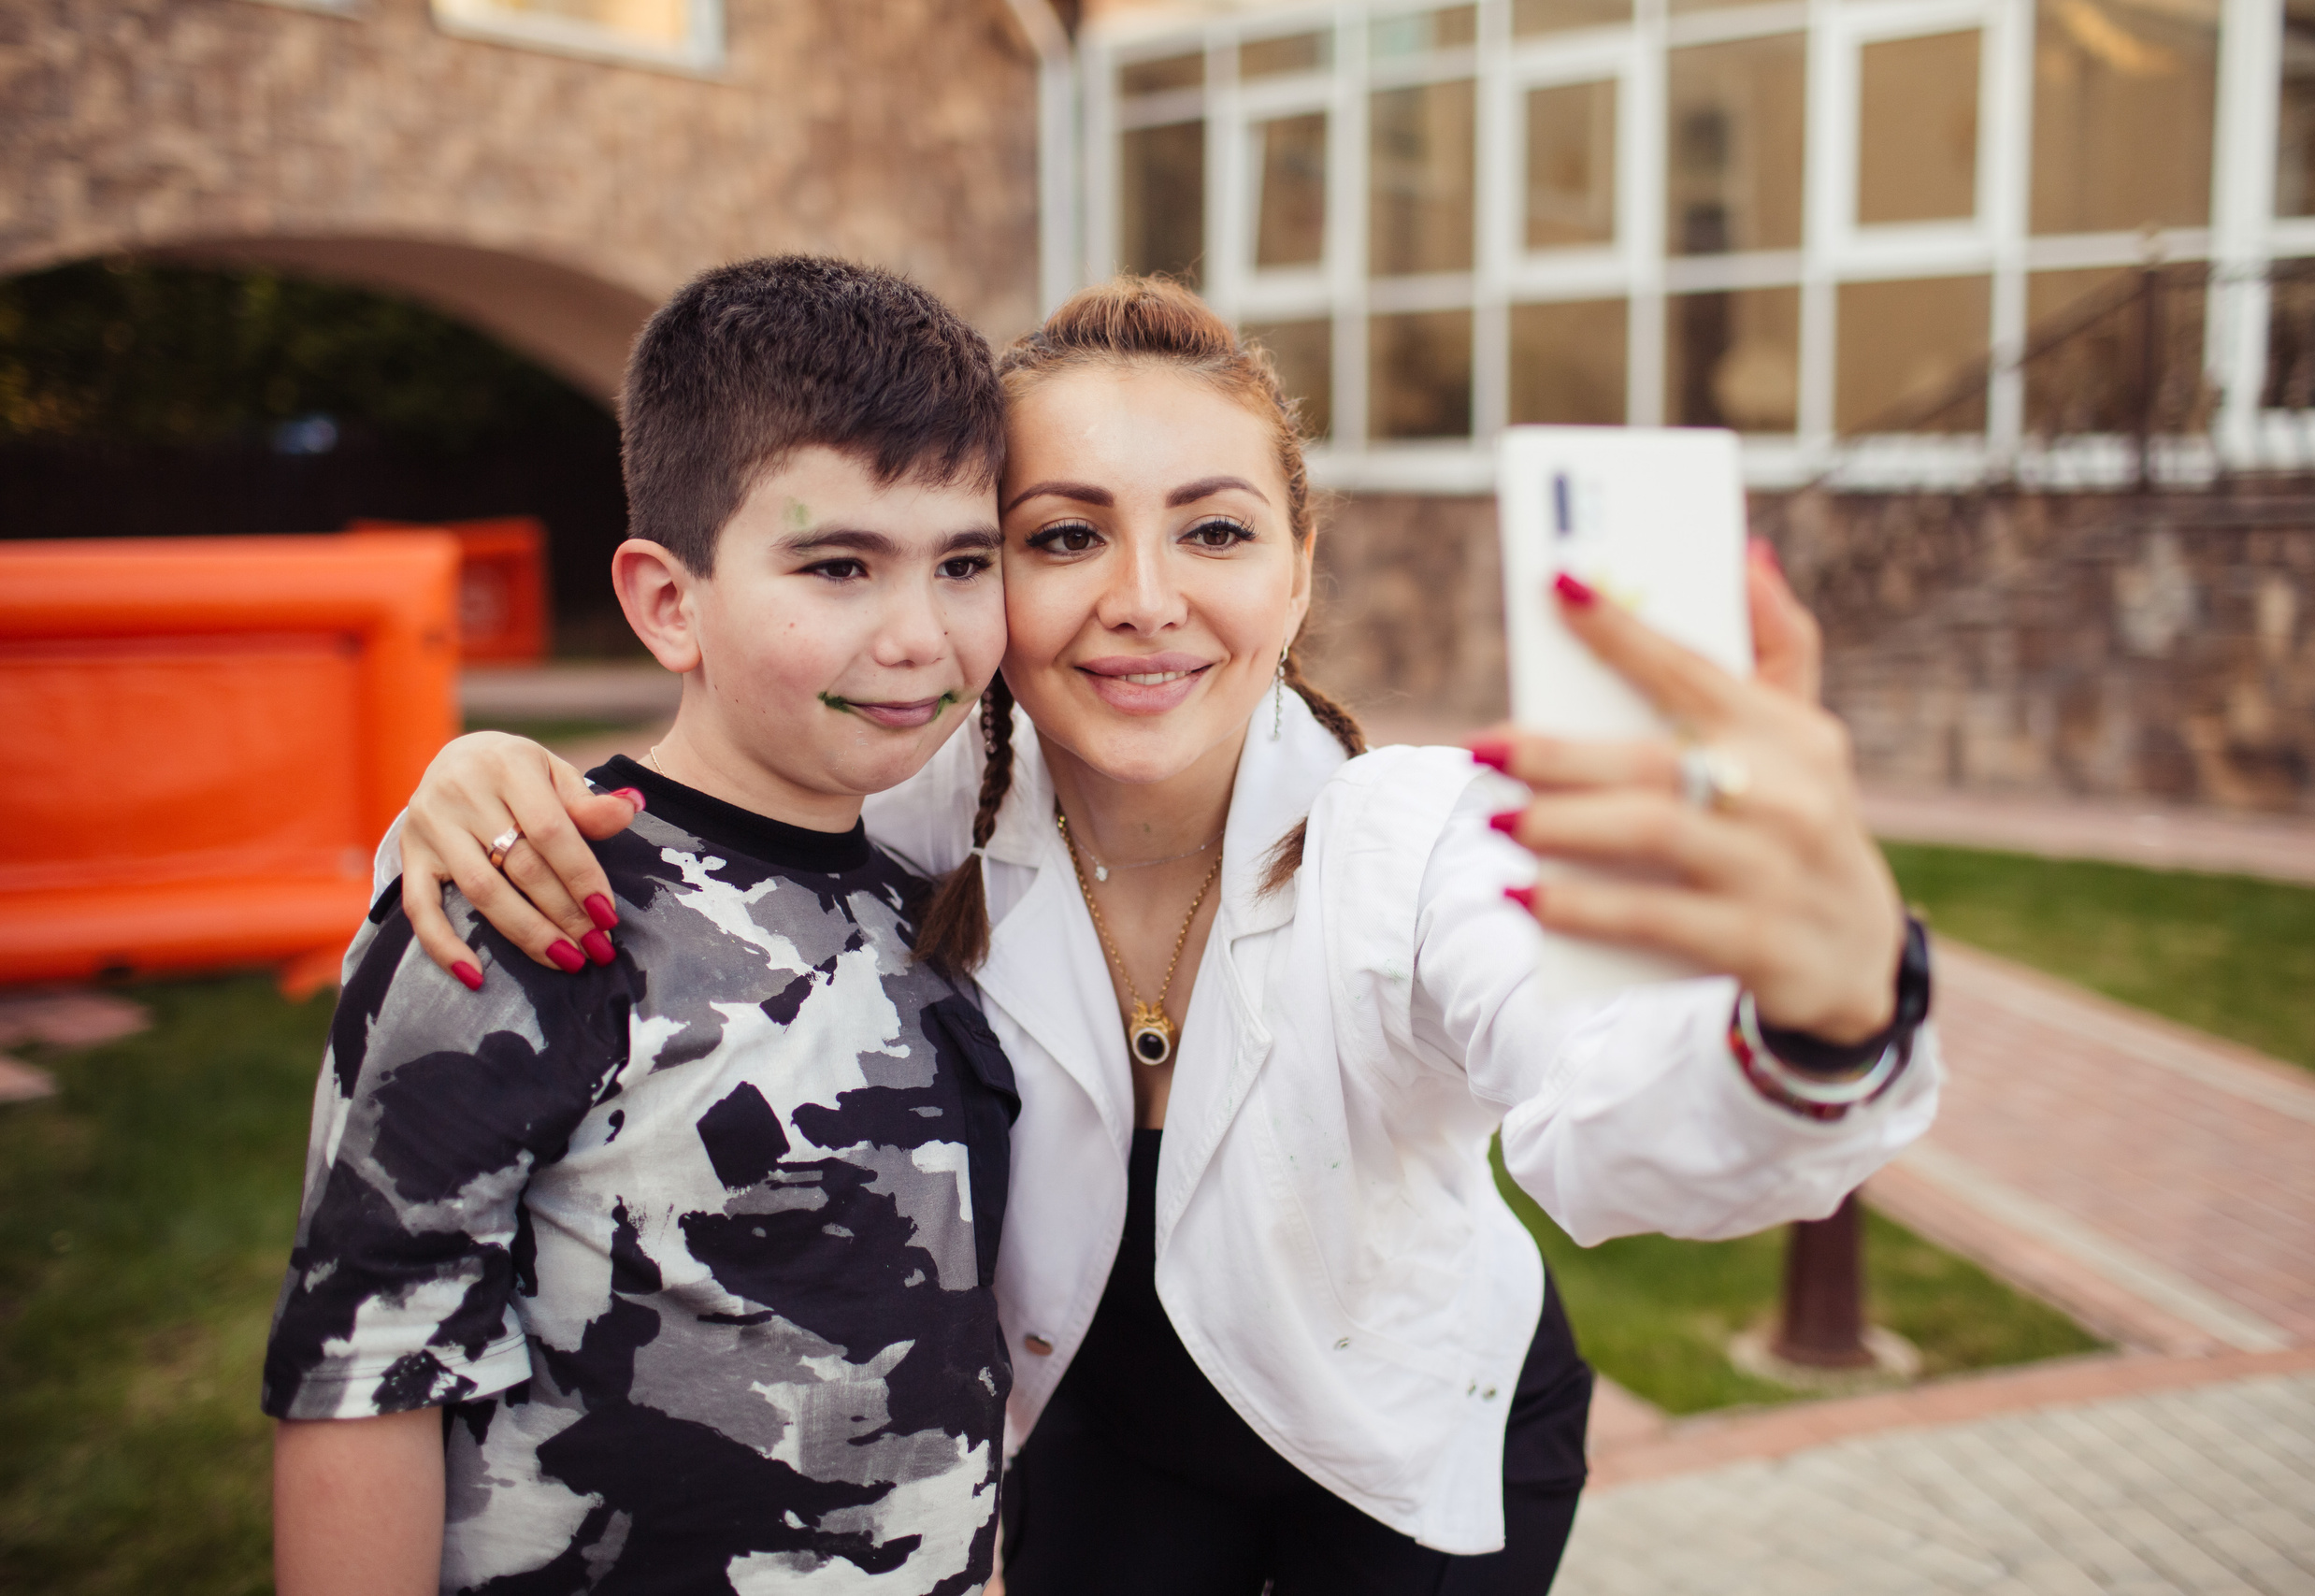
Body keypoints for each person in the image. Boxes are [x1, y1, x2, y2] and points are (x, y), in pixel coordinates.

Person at [385, 276, 1940, 1595]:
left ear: (1298, 567)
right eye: (1065, 538)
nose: (1143, 600)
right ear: (989, 577)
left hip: (1409, 1441)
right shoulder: (921, 818)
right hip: (1093, 1441)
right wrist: (484, 783)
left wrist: (1821, 1015)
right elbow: (709, 790)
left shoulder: (1418, 843)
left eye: (1213, 532)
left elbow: (1613, 1118)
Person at [261, 257, 1028, 1595]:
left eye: (965, 562)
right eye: (839, 564)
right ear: (670, 601)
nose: (919, 633)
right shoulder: (533, 903)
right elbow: (365, 1380)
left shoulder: (932, 899)